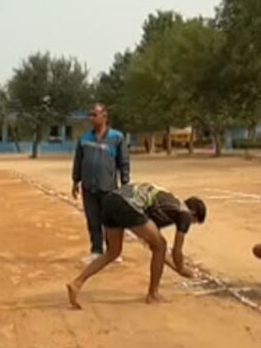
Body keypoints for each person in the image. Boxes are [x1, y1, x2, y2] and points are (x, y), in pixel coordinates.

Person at [67, 182, 206, 309]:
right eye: (194, 222)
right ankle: (153, 294)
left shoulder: (167, 208)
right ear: (193, 213)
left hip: (111, 201)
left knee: (113, 252)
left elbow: (155, 248)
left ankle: (77, 283)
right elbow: (176, 251)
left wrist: (177, 269)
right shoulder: (184, 213)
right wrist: (181, 269)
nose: (189, 224)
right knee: (161, 244)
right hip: (128, 204)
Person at [72, 102, 131, 264]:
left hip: (108, 187)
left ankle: (114, 252)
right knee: (93, 219)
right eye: (90, 115)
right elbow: (78, 160)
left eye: (94, 115)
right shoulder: (84, 139)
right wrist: (75, 181)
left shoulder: (117, 138)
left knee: (111, 221)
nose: (91, 118)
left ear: (104, 116)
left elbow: (123, 162)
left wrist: (125, 184)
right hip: (88, 186)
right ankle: (96, 250)